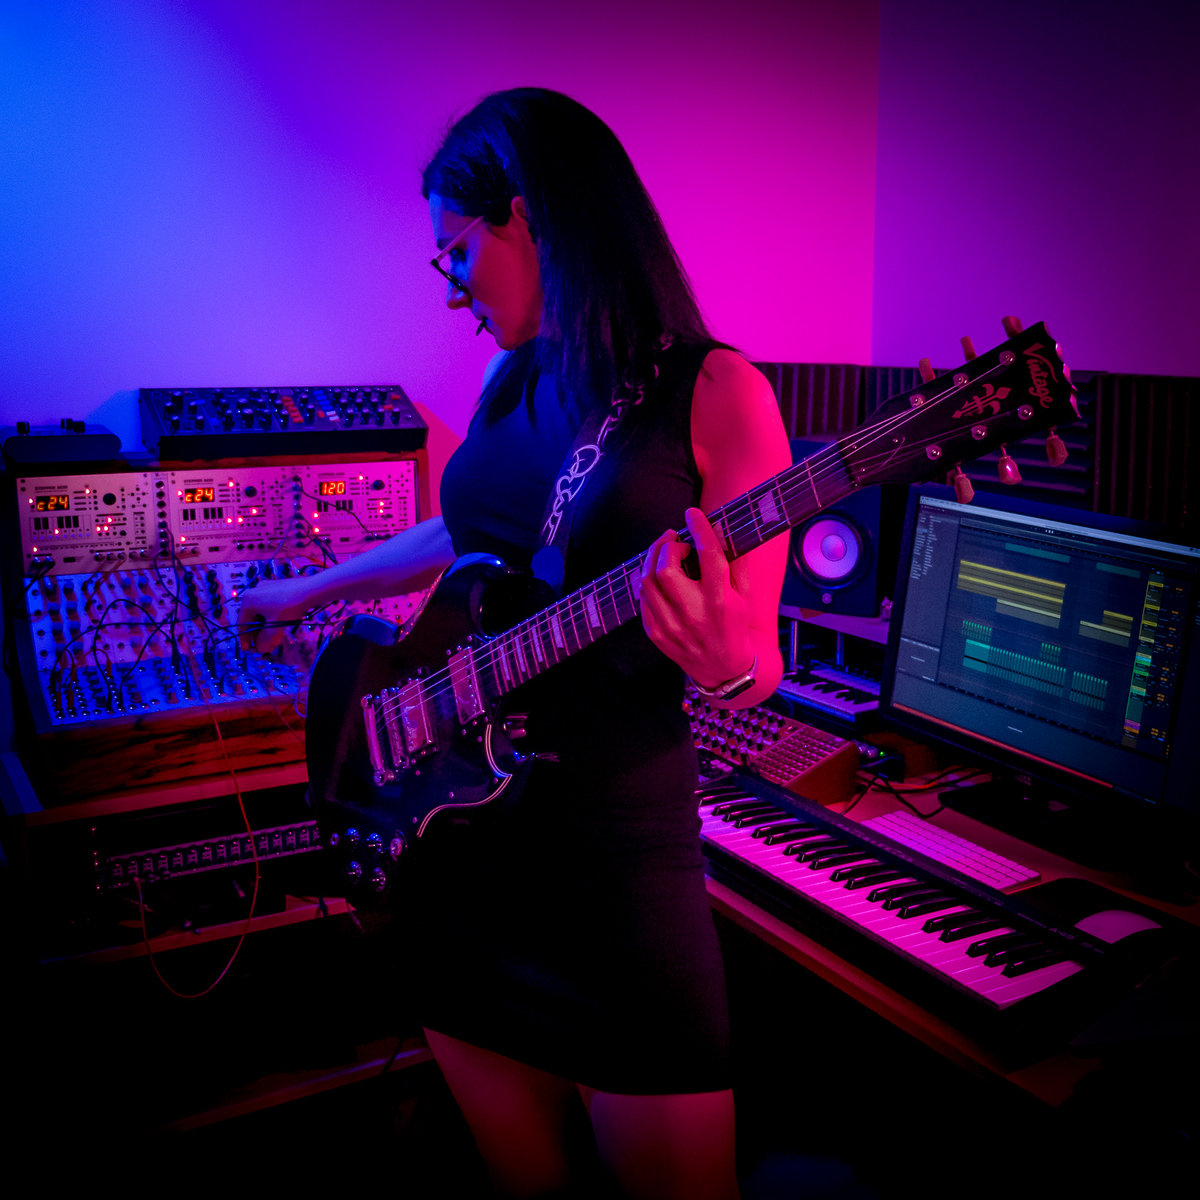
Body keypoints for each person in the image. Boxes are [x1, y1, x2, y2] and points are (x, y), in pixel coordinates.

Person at [245, 87, 790, 1199]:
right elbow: (467, 529)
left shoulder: (718, 391)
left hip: (613, 877)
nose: (451, 287)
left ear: (528, 217)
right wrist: (308, 590)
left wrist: (729, 661)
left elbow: (754, 658)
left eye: (456, 251)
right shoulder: (511, 381)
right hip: (462, 864)